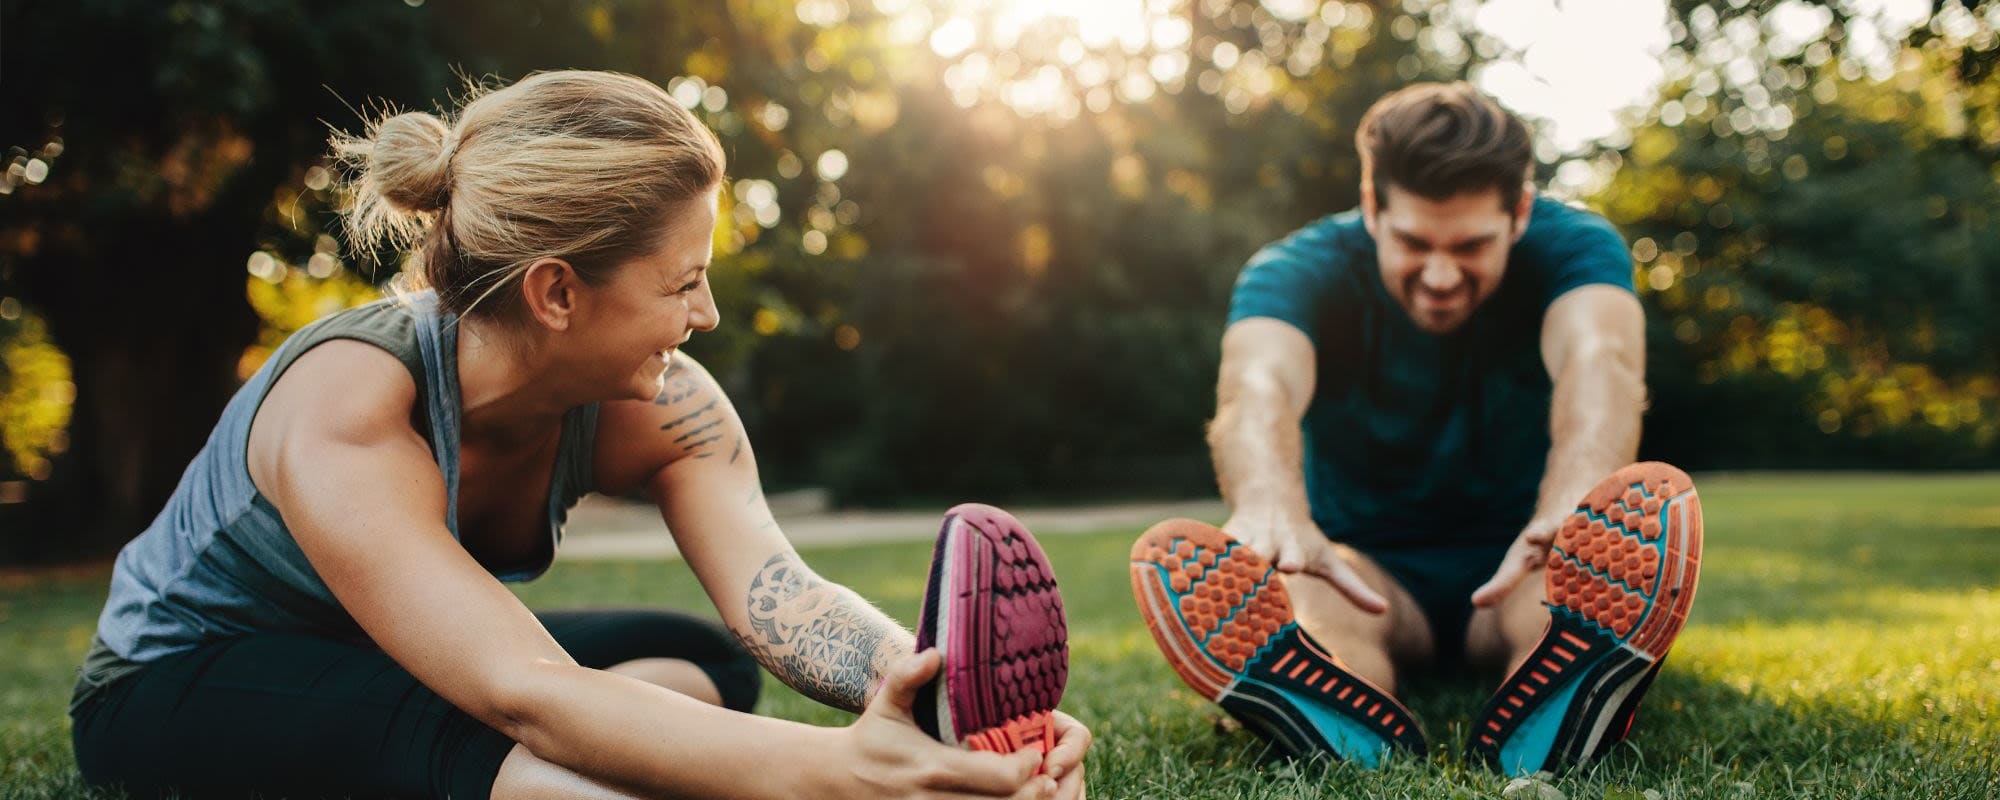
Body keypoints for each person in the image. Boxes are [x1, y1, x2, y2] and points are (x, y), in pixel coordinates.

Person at [69, 69, 1088, 799]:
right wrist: (841, 773)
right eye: (682, 282)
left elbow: (778, 600)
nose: (708, 315)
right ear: (556, 290)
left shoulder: (664, 406)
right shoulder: (350, 403)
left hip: (412, 666)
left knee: (699, 668)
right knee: (495, 724)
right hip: (185, 680)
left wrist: (927, 699)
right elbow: (526, 687)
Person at [1128, 82, 1704, 774]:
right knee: (1312, 598)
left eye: (1469, 246)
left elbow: (1598, 358)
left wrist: (1574, 506)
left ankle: (1564, 696)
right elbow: (1258, 384)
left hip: (1520, 559)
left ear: (1519, 212)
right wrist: (1269, 506)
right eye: (1412, 242)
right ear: (1372, 207)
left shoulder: (1575, 247)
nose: (1438, 274)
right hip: (1366, 572)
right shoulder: (1294, 270)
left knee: (1561, 599)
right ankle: (1342, 710)